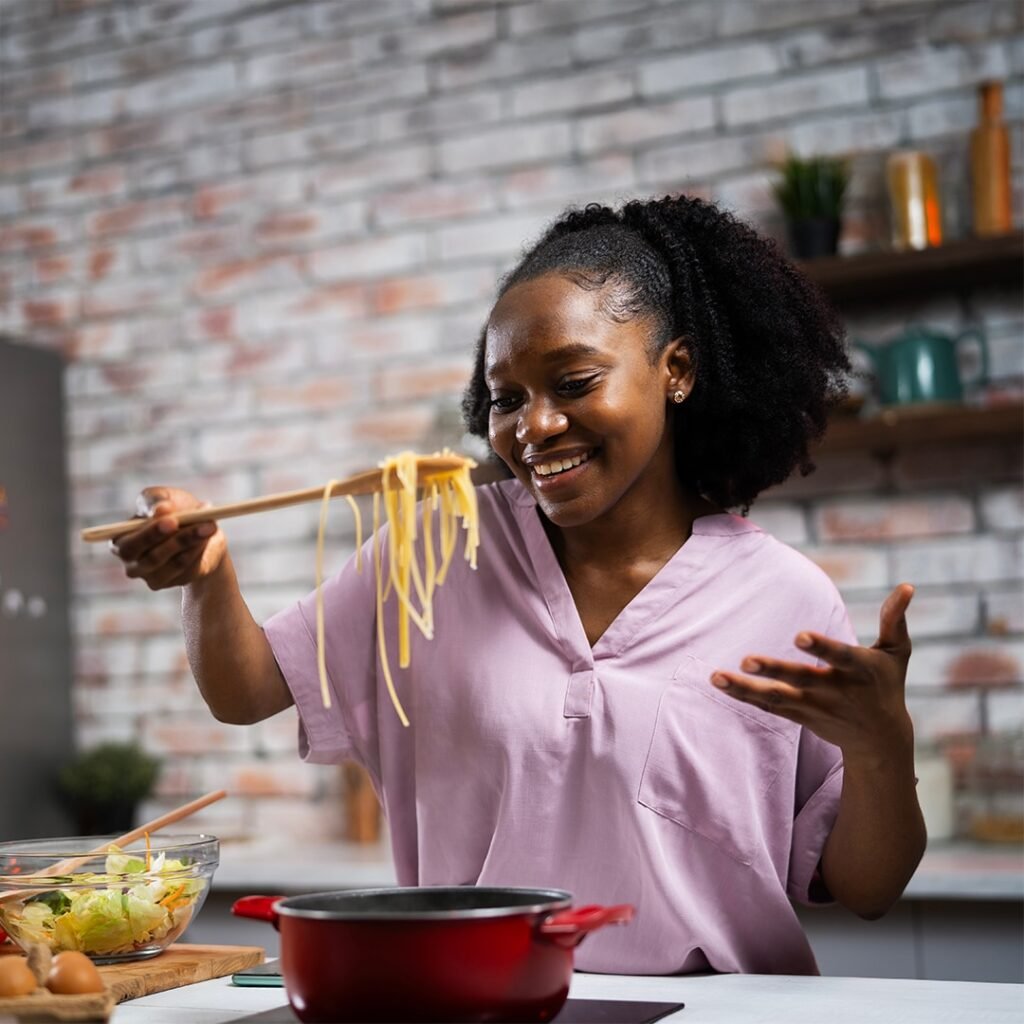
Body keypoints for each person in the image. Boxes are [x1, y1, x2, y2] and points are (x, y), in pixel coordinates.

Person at [110, 194, 925, 975]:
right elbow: (247, 689)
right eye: (507, 398)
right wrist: (206, 573)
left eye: (574, 383)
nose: (534, 426)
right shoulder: (434, 552)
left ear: (675, 370)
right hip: (477, 997)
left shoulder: (785, 598)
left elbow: (867, 890)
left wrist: (881, 745)